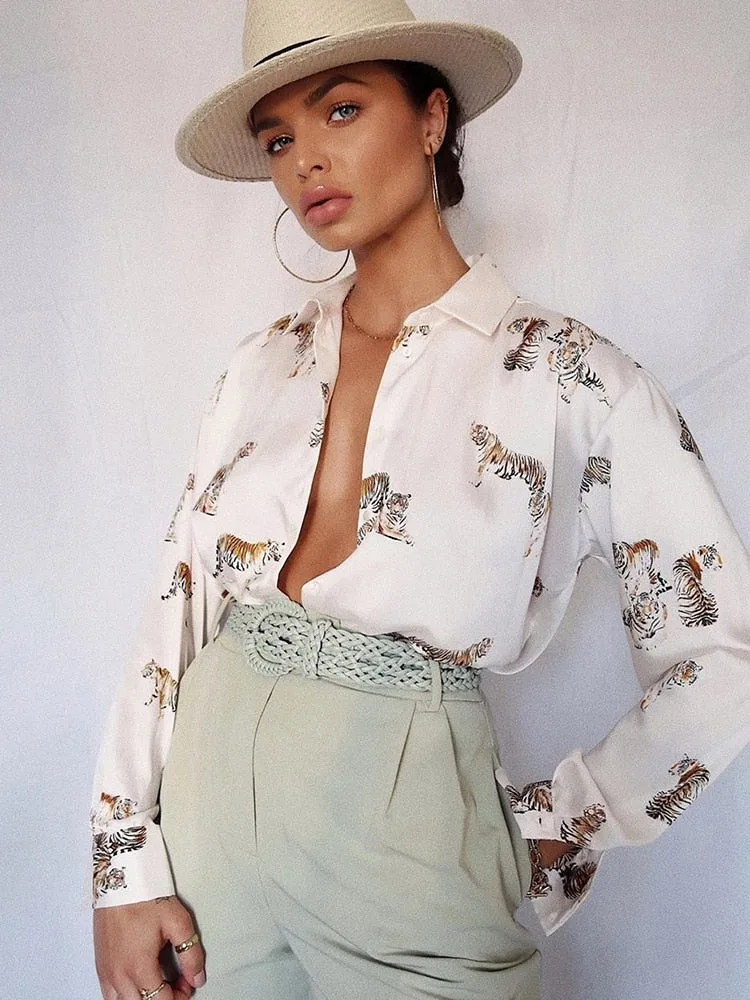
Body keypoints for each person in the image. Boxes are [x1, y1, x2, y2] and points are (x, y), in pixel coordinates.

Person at [90, 1, 750, 998]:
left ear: (432, 118)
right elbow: (175, 602)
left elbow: (723, 649)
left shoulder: (572, 378)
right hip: (209, 812)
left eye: (341, 110)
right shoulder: (261, 365)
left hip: (410, 831)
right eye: (279, 137)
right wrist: (119, 863)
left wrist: (570, 821)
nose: (306, 160)